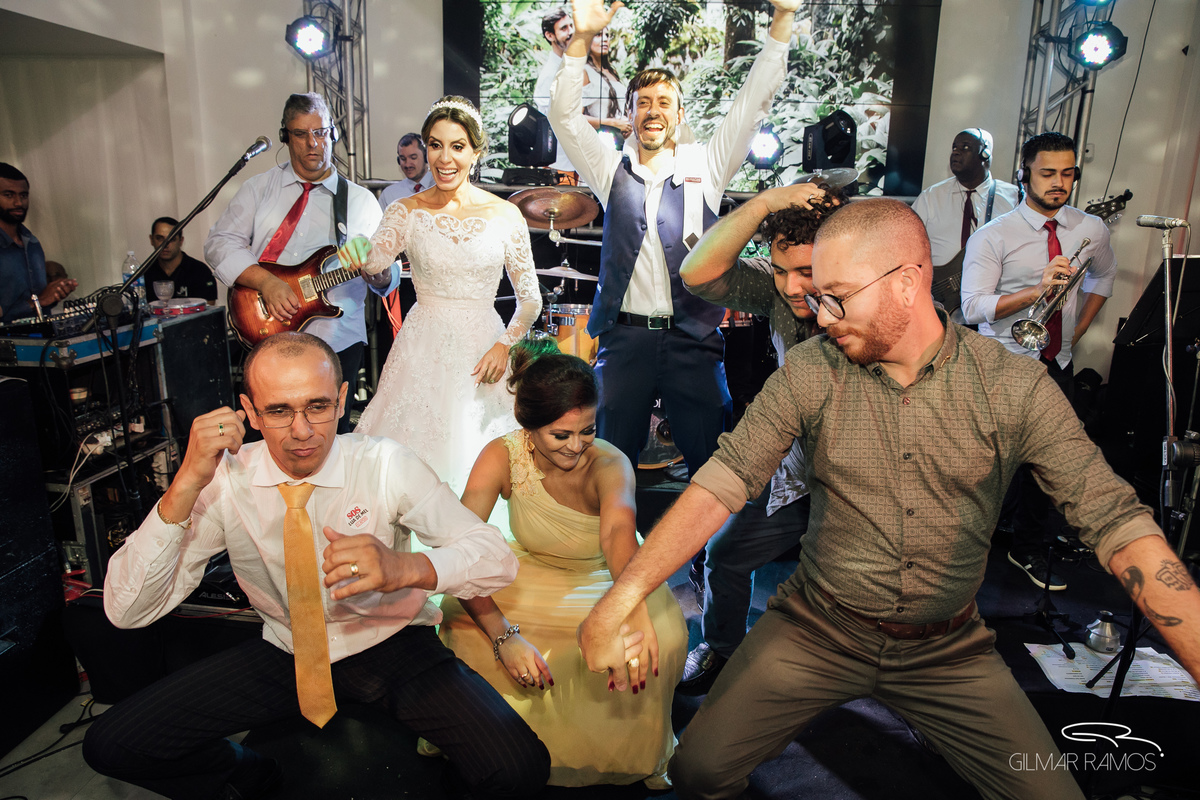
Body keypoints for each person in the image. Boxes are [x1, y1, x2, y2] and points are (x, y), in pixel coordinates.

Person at [576, 198, 1200, 800]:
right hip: (817, 628)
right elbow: (724, 479)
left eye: (836, 298)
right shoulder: (812, 370)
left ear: (907, 284)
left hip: (948, 651)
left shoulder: (1014, 386)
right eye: (816, 296)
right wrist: (620, 600)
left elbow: (1115, 520)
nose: (819, 316)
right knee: (698, 772)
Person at [82, 332, 550, 800]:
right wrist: (184, 483)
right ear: (249, 409)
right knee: (112, 745)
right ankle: (248, 777)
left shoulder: (384, 463)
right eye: (279, 411)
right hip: (285, 651)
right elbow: (127, 610)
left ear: (343, 399)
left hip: (392, 647)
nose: (302, 431)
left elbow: (495, 558)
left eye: (318, 406)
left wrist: (405, 568)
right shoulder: (226, 479)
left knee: (519, 767)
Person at [548, 0, 800, 480]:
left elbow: (750, 105)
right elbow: (564, 117)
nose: (653, 110)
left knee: (712, 464)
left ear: (679, 113)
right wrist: (579, 41)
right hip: (624, 342)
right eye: (643, 102)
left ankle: (712, 557)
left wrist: (782, 20)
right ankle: (607, 555)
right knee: (608, 465)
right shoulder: (610, 170)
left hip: (694, 342)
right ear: (629, 115)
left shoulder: (707, 166)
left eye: (664, 102)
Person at [435, 337, 687, 788]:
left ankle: (621, 753)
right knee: (459, 619)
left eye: (587, 430)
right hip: (529, 570)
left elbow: (617, 537)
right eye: (561, 434)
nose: (577, 446)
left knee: (657, 636)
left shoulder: (611, 465)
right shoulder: (502, 454)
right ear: (527, 426)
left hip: (606, 575)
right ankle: (499, 744)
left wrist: (633, 608)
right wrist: (502, 633)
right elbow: (461, 541)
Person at [674, 181, 834, 693]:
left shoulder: (877, 308)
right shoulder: (777, 289)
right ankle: (722, 650)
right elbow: (696, 272)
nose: (789, 287)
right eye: (782, 270)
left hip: (861, 485)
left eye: (805, 272)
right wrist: (764, 203)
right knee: (724, 556)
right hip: (794, 474)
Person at [343, 96, 542, 496]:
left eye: (457, 146)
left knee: (482, 463)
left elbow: (531, 300)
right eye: (435, 145)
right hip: (422, 347)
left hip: (483, 348)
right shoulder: (405, 211)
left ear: (476, 152)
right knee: (409, 464)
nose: (444, 158)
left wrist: (505, 346)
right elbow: (376, 259)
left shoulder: (505, 215)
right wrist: (360, 250)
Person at [960, 131, 1115, 592]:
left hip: (1056, 361)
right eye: (1047, 173)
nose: (1058, 183)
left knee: (1046, 465)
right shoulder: (994, 236)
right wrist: (1038, 291)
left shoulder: (1092, 230)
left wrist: (1076, 332)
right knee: (986, 467)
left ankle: (1025, 547)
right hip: (1001, 363)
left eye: (1067, 174)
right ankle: (965, 550)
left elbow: (1103, 278)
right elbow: (973, 308)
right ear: (1024, 172)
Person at [204, 92, 386, 433]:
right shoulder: (258, 190)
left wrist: (374, 268)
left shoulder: (360, 202)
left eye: (320, 132)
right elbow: (219, 243)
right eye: (300, 134)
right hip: (266, 333)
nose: (312, 143)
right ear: (286, 136)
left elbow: (384, 277)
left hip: (337, 339)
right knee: (270, 434)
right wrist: (266, 282)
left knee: (332, 435)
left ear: (333, 134)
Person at [911, 128, 1019, 271]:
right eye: (954, 148)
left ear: (985, 154)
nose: (956, 152)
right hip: (939, 289)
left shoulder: (1013, 197)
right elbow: (906, 243)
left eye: (965, 147)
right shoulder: (931, 197)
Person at [0, 162, 77, 324]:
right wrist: (38, 302)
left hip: (40, 342)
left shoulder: (32, 243)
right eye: (8, 195)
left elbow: (41, 299)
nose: (18, 203)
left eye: (23, 195)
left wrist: (56, 294)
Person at [533, 8, 576, 175]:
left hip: (575, 163)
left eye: (571, 26)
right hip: (560, 166)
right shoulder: (550, 75)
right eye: (564, 28)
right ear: (550, 36)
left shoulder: (569, 66)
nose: (571, 32)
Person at [144, 216, 218, 303]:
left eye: (172, 239)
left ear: (181, 241)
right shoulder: (145, 273)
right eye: (160, 238)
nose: (165, 244)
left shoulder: (200, 271)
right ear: (151, 240)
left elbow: (208, 311)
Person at [582, 29, 631, 140]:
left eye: (607, 35)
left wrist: (627, 127)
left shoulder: (611, 72)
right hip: (596, 141)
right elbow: (575, 118)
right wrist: (613, 123)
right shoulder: (584, 71)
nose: (605, 39)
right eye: (598, 35)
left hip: (617, 141)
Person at [378, 133, 429, 209]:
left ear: (426, 157)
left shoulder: (441, 188)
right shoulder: (388, 195)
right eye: (403, 158)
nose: (407, 164)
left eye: (413, 157)